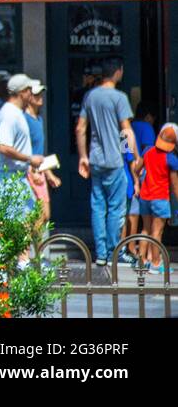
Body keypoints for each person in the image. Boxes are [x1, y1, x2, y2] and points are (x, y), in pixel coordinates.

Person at [77, 61, 138, 266]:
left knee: (97, 206)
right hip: (114, 160)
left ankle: (101, 254)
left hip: (95, 158)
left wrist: (83, 156)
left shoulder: (90, 96)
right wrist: (134, 156)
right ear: (118, 72)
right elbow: (126, 131)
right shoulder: (119, 97)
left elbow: (80, 128)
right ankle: (114, 252)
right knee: (115, 208)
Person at [0, 74, 43, 238]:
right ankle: (15, 261)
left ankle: (23, 260)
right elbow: (4, 147)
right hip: (8, 179)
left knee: (27, 220)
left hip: (17, 176)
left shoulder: (16, 113)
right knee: (14, 224)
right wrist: (30, 159)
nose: (31, 93)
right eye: (29, 90)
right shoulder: (9, 114)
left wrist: (30, 167)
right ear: (21, 92)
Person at [131, 123, 178, 273]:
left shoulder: (147, 151)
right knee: (157, 232)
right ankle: (156, 264)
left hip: (145, 196)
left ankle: (142, 260)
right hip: (160, 198)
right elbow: (174, 185)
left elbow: (137, 169)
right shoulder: (171, 159)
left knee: (145, 229)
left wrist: (137, 182)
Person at [24, 80, 59, 238]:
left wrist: (49, 173)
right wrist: (31, 170)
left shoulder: (39, 119)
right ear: (29, 96)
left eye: (40, 93)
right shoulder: (24, 119)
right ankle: (28, 255)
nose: (40, 97)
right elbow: (24, 149)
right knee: (37, 215)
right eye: (36, 94)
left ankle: (36, 256)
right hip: (30, 171)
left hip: (40, 170)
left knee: (45, 215)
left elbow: (40, 152)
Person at [122, 102, 156, 257]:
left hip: (122, 173)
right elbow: (149, 151)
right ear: (148, 116)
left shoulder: (123, 131)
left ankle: (122, 247)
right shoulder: (147, 128)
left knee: (124, 213)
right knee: (135, 214)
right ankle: (131, 247)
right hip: (137, 173)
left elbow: (125, 151)